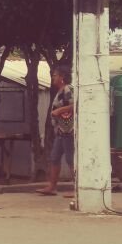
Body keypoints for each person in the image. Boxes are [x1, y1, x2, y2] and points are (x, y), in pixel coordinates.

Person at [37, 66, 74, 196]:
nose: (53, 77)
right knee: (55, 157)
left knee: (70, 158)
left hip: (68, 130)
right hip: (61, 130)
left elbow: (75, 105)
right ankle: (52, 186)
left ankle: (78, 189)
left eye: (55, 75)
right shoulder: (60, 91)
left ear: (62, 77)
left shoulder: (68, 89)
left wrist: (58, 111)